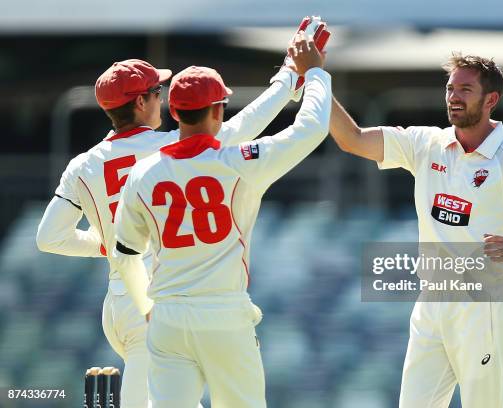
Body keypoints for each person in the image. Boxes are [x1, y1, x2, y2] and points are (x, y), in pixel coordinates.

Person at [36, 54, 306, 407]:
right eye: (156, 90)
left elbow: (49, 237)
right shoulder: (170, 149)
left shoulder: (82, 165)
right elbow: (245, 124)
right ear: (140, 102)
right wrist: (288, 79)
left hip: (118, 305)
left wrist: (105, 247)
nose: (161, 96)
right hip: (154, 301)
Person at [110, 32, 330, 408]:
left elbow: (126, 254)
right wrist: (314, 76)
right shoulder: (240, 161)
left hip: (168, 316)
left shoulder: (143, 172)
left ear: (174, 112)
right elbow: (311, 128)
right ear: (218, 111)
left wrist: (147, 310)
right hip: (224, 313)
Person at [329, 52, 503, 407]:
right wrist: (315, 79)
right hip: (433, 301)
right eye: (450, 88)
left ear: (491, 100)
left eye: (465, 89)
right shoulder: (426, 144)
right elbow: (353, 139)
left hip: (488, 304)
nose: (453, 96)